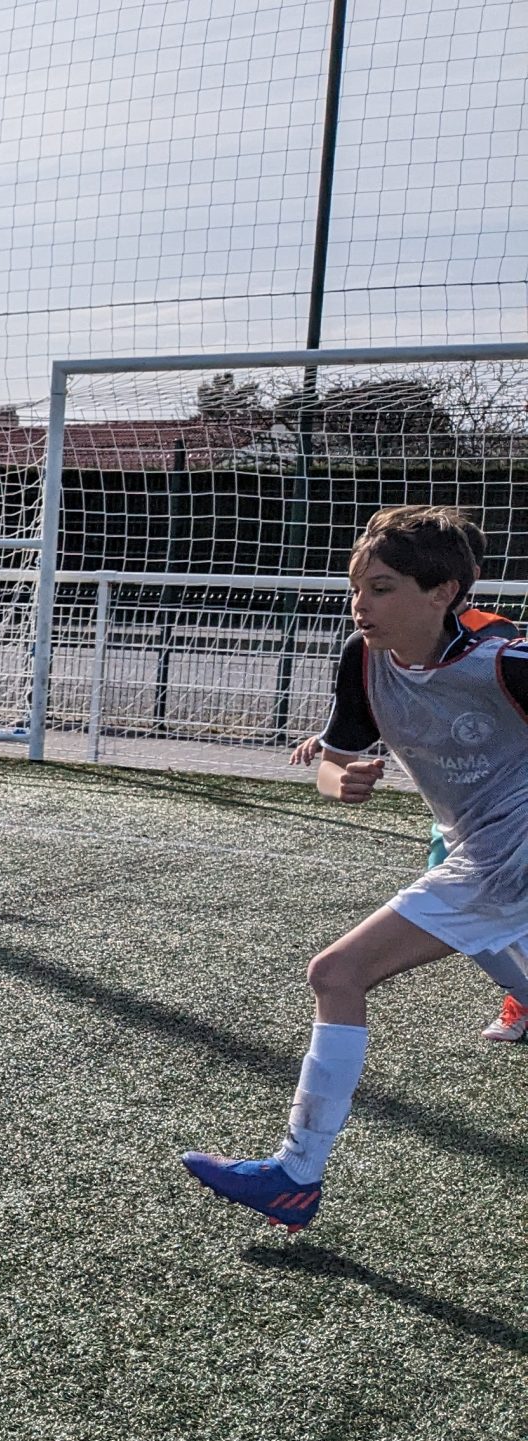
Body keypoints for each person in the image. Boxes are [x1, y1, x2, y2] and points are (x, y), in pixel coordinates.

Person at [185, 506, 528, 1228]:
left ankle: (294, 1175)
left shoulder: (505, 663)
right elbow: (333, 765)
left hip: (510, 857)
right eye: (357, 588)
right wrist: (342, 780)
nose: (360, 604)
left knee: (336, 973)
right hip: (477, 848)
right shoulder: (363, 659)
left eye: (382, 588)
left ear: (443, 592)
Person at [287, 732, 524, 1042]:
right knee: (458, 906)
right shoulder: (380, 698)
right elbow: (333, 766)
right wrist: (333, 749)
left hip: (515, 810)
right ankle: (522, 996)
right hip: (462, 820)